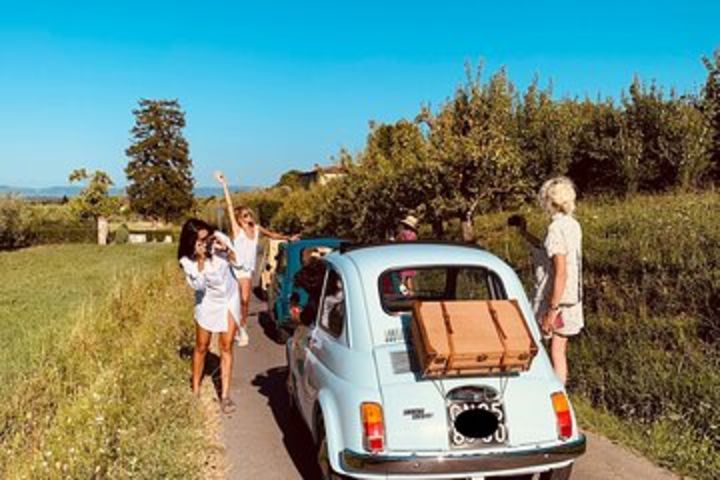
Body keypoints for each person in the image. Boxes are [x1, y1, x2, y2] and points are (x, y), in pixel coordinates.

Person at [510, 177, 583, 385]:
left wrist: (551, 310)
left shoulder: (555, 229)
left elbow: (560, 271)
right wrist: (524, 234)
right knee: (558, 351)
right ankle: (559, 393)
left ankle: (543, 391)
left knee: (538, 346)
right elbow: (546, 250)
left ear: (548, 202)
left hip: (555, 298)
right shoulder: (572, 225)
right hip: (571, 298)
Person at [215, 171, 300, 347]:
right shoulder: (237, 230)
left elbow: (272, 234)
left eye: (249, 214)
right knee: (234, 299)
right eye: (245, 215)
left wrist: (288, 238)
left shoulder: (257, 228)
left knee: (245, 300)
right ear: (239, 219)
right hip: (235, 268)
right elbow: (230, 208)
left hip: (246, 270)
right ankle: (232, 326)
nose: (249, 217)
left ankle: (242, 328)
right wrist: (224, 185)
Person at [177, 218, 240, 413]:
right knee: (202, 346)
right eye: (201, 240)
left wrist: (226, 250)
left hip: (229, 299)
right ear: (192, 241)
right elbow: (198, 286)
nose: (207, 242)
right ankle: (195, 390)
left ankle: (225, 396)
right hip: (207, 303)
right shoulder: (187, 260)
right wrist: (202, 259)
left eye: (208, 237)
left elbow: (238, 263)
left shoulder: (218, 239)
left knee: (226, 346)